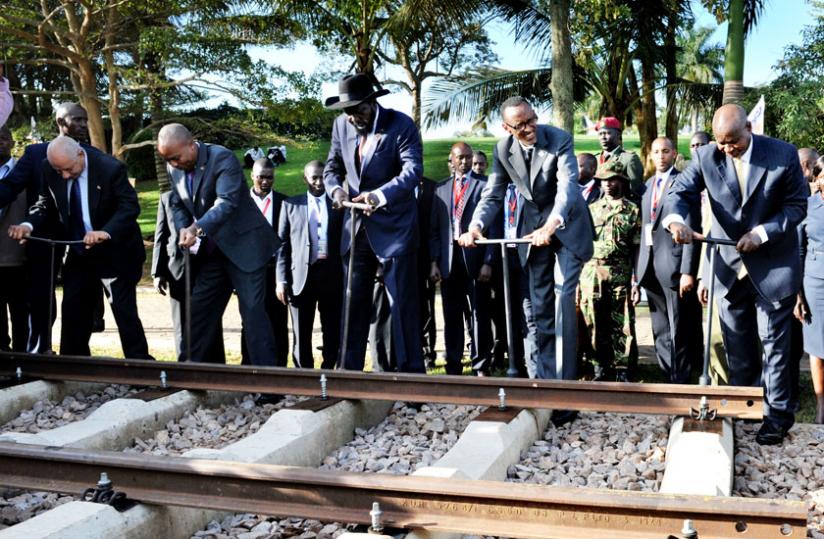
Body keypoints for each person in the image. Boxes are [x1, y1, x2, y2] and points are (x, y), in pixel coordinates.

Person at [666, 104, 808, 445]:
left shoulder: (783, 154)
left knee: (774, 345)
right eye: (721, 142)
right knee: (737, 347)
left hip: (773, 263)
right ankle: (746, 411)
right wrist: (677, 221)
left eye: (733, 142)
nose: (727, 149)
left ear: (750, 127)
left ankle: (776, 418)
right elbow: (679, 192)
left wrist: (761, 234)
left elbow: (797, 205)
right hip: (728, 268)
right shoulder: (706, 157)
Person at [459, 96, 594, 391]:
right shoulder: (503, 150)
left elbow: (567, 188)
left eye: (532, 119)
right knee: (540, 307)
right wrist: (475, 226)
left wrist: (551, 224)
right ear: (508, 128)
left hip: (567, 228)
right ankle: (544, 383)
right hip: (533, 235)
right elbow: (493, 194)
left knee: (561, 299)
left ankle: (565, 387)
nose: (531, 128)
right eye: (521, 125)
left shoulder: (559, 139)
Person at [8, 136, 151, 359]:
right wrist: (28, 225)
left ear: (80, 155)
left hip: (115, 252)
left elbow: (129, 207)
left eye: (68, 169)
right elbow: (44, 203)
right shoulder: (50, 168)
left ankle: (140, 364)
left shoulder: (109, 168)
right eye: (59, 171)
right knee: (73, 308)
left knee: (124, 312)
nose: (64, 176)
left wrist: (106, 231)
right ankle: (74, 364)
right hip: (79, 250)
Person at [323, 73, 425, 373]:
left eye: (360, 110)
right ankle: (349, 373)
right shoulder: (341, 125)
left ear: (372, 102)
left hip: (394, 229)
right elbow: (332, 167)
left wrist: (379, 196)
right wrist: (336, 190)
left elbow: (413, 171)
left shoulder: (401, 124)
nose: (354, 117)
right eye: (348, 111)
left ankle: (410, 377)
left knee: (401, 305)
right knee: (352, 303)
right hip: (355, 230)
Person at [157, 123, 278, 366]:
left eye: (176, 158)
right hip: (214, 253)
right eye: (168, 160)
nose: (173, 164)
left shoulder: (222, 158)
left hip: (245, 249)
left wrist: (196, 228)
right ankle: (190, 371)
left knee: (253, 314)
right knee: (199, 310)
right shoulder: (174, 169)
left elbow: (226, 202)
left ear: (191, 145)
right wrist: (183, 227)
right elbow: (178, 204)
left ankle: (267, 380)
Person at [0, 102, 103, 353]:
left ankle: (76, 353)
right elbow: (11, 186)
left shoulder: (92, 155)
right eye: (76, 119)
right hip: (44, 237)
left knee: (80, 296)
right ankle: (40, 350)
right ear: (60, 122)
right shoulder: (36, 154)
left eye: (84, 120)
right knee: (41, 298)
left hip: (81, 238)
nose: (81, 124)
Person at [635, 137, 702, 383]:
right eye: (656, 152)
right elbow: (644, 229)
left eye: (665, 151)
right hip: (649, 266)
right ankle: (667, 375)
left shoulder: (684, 184)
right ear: (650, 155)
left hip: (674, 267)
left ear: (674, 154)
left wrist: (688, 271)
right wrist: (637, 272)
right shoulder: (646, 186)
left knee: (679, 327)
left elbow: (692, 227)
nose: (661, 156)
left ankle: (681, 379)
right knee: (660, 326)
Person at [430, 142, 495, 375]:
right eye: (460, 158)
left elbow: (493, 226)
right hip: (449, 261)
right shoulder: (441, 189)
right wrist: (434, 262)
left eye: (468, 157)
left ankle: (480, 364)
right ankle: (454, 364)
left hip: (476, 259)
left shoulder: (485, 186)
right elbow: (435, 230)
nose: (465, 162)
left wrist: (488, 261)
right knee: (452, 315)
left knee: (479, 314)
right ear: (452, 159)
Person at [277, 160, 343, 369]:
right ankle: (304, 374)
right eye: (314, 177)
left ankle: (330, 370)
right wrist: (281, 279)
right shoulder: (291, 205)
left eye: (323, 176)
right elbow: (282, 245)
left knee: (332, 328)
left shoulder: (338, 205)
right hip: (301, 276)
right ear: (305, 178)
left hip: (331, 274)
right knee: (301, 331)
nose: (319, 181)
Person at [579, 160, 641, 381]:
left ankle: (622, 368)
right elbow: (582, 243)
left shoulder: (633, 210)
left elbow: (636, 247)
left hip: (620, 271)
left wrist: (636, 279)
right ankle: (598, 367)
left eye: (612, 179)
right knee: (593, 319)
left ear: (622, 181)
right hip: (592, 271)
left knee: (622, 321)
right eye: (603, 180)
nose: (607, 184)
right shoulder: (591, 209)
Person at [151, 191, 225, 362]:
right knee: (181, 322)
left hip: (207, 265)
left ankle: (215, 364)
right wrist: (158, 272)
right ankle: (184, 364)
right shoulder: (167, 198)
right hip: (177, 269)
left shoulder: (210, 194)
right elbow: (161, 235)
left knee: (210, 317)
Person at [242, 158, 288, 366]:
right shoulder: (240, 203)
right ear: (252, 175)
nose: (265, 182)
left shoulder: (284, 202)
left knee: (278, 319)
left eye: (269, 177)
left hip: (274, 268)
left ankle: (279, 366)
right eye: (261, 177)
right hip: (249, 269)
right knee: (250, 318)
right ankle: (249, 364)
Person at [795, 170, 824, 424]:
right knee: (817, 346)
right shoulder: (808, 205)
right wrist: (798, 294)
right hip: (815, 282)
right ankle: (821, 405)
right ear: (818, 178)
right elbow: (798, 250)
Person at [0, 127, 27, 351]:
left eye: (4, 138)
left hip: (19, 255)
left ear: (11, 141)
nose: (0, 142)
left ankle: (23, 359)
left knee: (21, 313)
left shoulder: (25, 170)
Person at [596, 117, 644, 199]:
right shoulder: (595, 159)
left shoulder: (629, 159)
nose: (603, 137)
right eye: (600, 134)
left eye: (607, 133)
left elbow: (635, 191)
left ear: (618, 135)